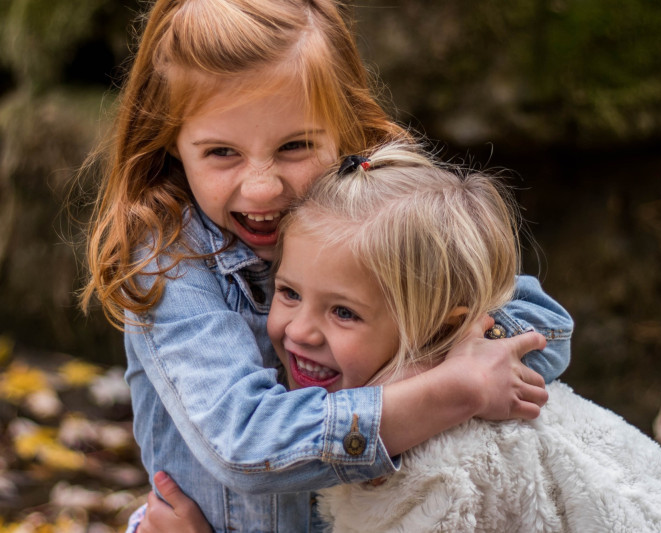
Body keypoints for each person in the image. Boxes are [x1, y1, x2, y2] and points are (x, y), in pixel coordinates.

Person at [79, 1, 573, 531]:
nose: (262, 187)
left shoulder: (377, 216)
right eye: (222, 152)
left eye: (295, 146)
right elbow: (246, 442)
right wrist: (448, 389)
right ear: (172, 145)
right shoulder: (170, 257)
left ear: (344, 127)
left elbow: (543, 327)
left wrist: (432, 363)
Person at [139, 142, 661, 532]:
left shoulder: (450, 466)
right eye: (288, 293)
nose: (298, 330)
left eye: (344, 313)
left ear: (444, 329)